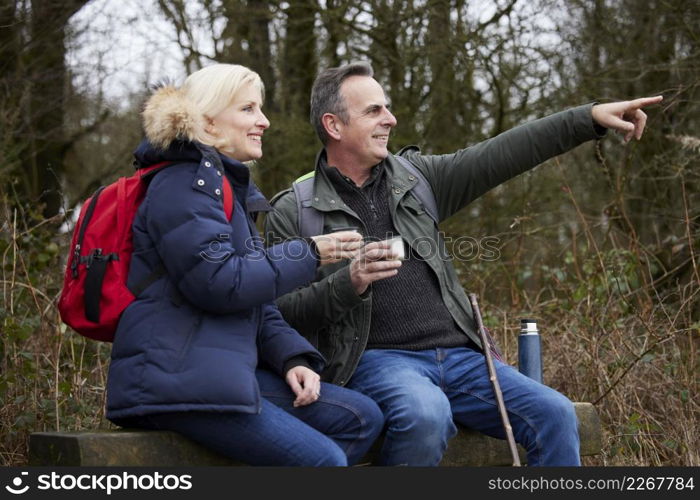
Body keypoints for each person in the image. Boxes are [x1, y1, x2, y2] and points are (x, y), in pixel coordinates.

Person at [264, 61, 662, 466]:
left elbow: (505, 152)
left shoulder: (418, 179)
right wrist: (348, 282)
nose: (391, 119)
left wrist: (588, 118)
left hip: (464, 357)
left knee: (557, 414)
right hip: (379, 362)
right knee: (425, 415)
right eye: (374, 111)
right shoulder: (295, 211)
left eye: (387, 107)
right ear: (333, 125)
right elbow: (278, 316)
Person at [105, 63, 385, 466]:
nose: (264, 121)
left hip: (219, 367)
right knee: (324, 461)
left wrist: (292, 359)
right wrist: (308, 252)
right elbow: (220, 282)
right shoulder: (183, 185)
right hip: (175, 380)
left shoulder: (222, 186)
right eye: (249, 109)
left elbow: (255, 300)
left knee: (361, 418)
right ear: (209, 121)